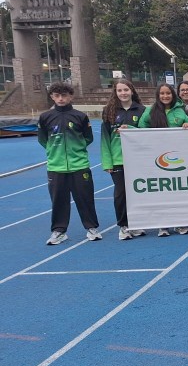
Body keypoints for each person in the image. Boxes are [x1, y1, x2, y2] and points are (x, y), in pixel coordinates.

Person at [38, 82, 101, 245]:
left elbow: (88, 138)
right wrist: (55, 152)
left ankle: (92, 228)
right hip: (56, 166)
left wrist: (76, 151)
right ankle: (59, 231)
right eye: (57, 95)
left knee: (85, 198)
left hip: (79, 165)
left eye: (64, 95)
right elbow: (43, 140)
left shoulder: (80, 116)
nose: (61, 99)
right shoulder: (45, 117)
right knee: (58, 200)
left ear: (70, 96)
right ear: (52, 97)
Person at [139, 84, 188, 237]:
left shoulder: (180, 111)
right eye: (162, 93)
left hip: (177, 158)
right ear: (158, 95)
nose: (165, 96)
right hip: (157, 157)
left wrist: (187, 125)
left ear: (172, 95)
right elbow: (141, 128)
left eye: (168, 93)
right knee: (162, 192)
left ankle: (179, 223)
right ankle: (162, 225)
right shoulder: (150, 111)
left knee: (177, 191)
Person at [101, 80, 147, 240]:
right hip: (118, 160)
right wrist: (107, 162)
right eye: (119, 90)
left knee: (138, 194)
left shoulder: (141, 110)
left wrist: (132, 130)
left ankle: (137, 224)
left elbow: (146, 133)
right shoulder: (109, 111)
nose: (123, 93)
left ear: (132, 91)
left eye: (126, 89)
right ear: (115, 92)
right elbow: (105, 139)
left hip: (137, 160)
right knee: (120, 194)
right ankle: (124, 226)